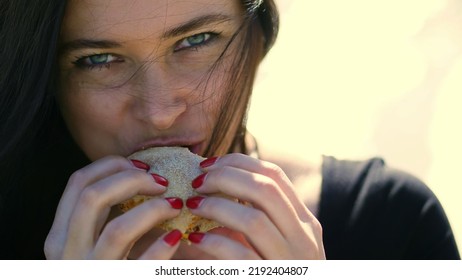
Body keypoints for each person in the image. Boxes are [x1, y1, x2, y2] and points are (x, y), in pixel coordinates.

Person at [0, 0, 459, 260]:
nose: (159, 111)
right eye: (96, 59)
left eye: (196, 41)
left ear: (257, 37)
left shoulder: (390, 224)